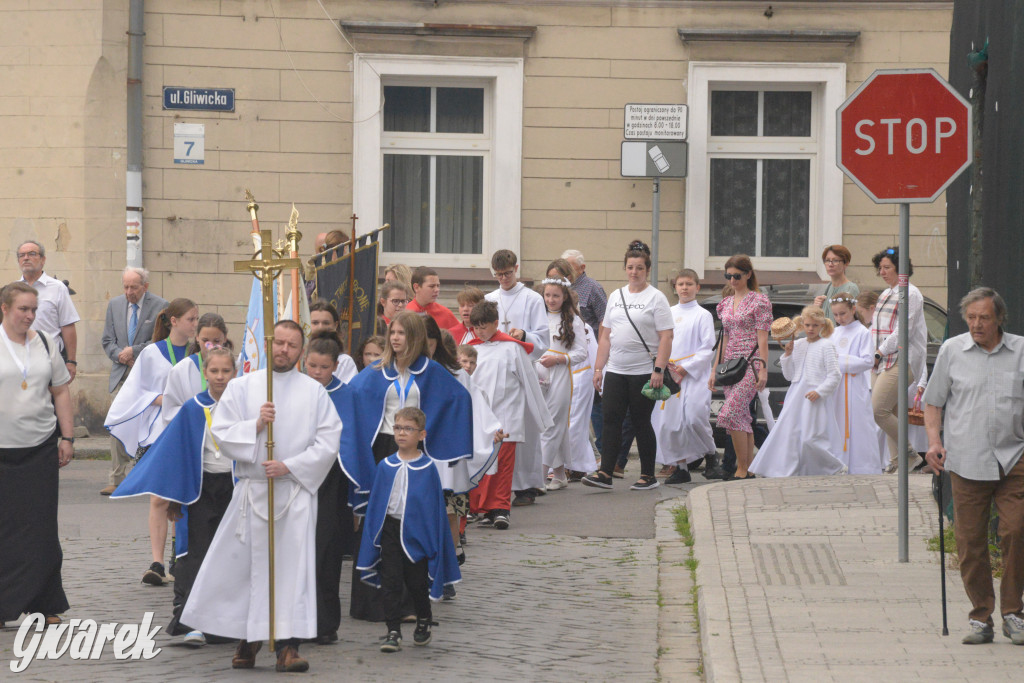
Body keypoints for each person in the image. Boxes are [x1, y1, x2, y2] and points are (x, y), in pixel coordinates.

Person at [180, 320, 342, 673]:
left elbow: (329, 442)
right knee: (249, 570)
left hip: (294, 494)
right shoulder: (243, 387)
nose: (284, 350)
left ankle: (288, 645)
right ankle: (248, 639)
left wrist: (290, 465)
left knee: (291, 572)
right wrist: (255, 426)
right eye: (279, 343)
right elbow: (221, 432)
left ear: (301, 350)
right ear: (269, 344)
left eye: (292, 345)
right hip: (253, 493)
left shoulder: (313, 392)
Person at [336, 311, 473, 621]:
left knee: (411, 523)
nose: (395, 338)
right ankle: (371, 602)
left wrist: (438, 437)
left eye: (401, 333)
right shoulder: (374, 371)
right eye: (392, 333)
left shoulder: (432, 371)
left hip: (415, 453)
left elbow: (458, 398)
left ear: (414, 338)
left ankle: (408, 603)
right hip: (382, 452)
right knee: (377, 522)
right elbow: (351, 400)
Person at [110, 347, 237, 647]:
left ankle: (228, 620)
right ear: (204, 374)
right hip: (200, 488)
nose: (220, 377)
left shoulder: (242, 406)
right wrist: (173, 499)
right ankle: (192, 620)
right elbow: (175, 453)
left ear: (235, 373)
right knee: (196, 553)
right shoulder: (193, 408)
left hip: (235, 487)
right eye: (214, 371)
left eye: (226, 371)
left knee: (230, 554)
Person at [923, 288, 1024, 646]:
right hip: (966, 460)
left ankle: (1014, 612)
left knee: (1016, 531)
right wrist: (934, 442)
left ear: (999, 318)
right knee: (970, 543)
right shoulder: (952, 350)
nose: (977, 324)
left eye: (984, 318)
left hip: (1015, 458)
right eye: (971, 318)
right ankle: (981, 616)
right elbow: (933, 403)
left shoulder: (1021, 350)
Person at [105, 297, 198, 586]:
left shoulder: (199, 354)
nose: (195, 324)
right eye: (191, 319)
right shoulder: (152, 354)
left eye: (197, 319)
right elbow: (135, 392)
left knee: (183, 496)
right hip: (159, 431)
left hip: (191, 431)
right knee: (159, 497)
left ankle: (178, 556)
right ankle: (157, 561)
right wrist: (164, 399)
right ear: (174, 321)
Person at [357, 407, 462, 653]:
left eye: (408, 429)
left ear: (421, 434)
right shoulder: (385, 465)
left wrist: (431, 540)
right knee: (391, 581)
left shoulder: (427, 469)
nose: (402, 433)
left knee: (416, 583)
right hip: (391, 530)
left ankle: (423, 618)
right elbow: (377, 503)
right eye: (398, 428)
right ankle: (393, 630)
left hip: (418, 533)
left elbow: (433, 509)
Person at [0, 282, 74, 629]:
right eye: (22, 310)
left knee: (41, 528)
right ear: (4, 308)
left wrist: (67, 437)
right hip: (2, 449)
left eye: (33, 309)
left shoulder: (45, 342)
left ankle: (45, 604)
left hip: (40, 447)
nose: (29, 316)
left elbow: (60, 390)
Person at [583, 240, 673, 492]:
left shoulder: (656, 298)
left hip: (644, 371)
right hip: (616, 370)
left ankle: (647, 475)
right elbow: (605, 336)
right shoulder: (615, 296)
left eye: (640, 268)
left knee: (641, 421)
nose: (634, 272)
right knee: (611, 420)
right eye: (630, 267)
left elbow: (666, 336)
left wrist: (659, 369)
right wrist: (599, 368)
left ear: (647, 270)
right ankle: (605, 473)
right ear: (625, 268)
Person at [468, 301, 552, 528]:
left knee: (503, 465)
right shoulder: (469, 346)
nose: (479, 332)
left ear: (496, 324)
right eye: (475, 327)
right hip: (479, 418)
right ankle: (483, 509)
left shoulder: (512, 348)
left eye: (484, 327)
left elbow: (530, 381)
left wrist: (542, 418)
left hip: (507, 416)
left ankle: (501, 509)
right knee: (482, 463)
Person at [303, 331, 356, 645]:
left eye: (323, 367)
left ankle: (325, 623)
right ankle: (298, 619)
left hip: (331, 483)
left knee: (326, 551)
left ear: (336, 366)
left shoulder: (345, 394)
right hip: (298, 479)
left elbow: (351, 440)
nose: (316, 372)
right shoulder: (296, 389)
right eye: (311, 365)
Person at [486, 249, 550, 505]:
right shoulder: (489, 298)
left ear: (517, 269)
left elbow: (543, 339)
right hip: (494, 372)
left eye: (508, 273)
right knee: (498, 429)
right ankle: (496, 485)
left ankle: (527, 486)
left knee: (524, 430)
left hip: (522, 370)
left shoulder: (532, 299)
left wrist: (524, 335)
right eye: (499, 274)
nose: (503, 278)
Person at [749, 306, 844, 477]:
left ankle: (832, 466)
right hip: (796, 395)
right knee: (789, 434)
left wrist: (820, 391)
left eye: (815, 325)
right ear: (801, 325)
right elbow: (790, 375)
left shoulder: (827, 346)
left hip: (815, 397)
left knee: (811, 437)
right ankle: (791, 469)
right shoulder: (797, 345)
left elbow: (834, 375)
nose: (810, 329)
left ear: (822, 325)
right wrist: (787, 356)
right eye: (807, 325)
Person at [100, 267, 168, 495]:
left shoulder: (160, 306)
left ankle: (145, 474)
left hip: (148, 374)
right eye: (126, 287)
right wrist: (119, 354)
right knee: (119, 421)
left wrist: (134, 351)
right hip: (123, 372)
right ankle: (116, 479)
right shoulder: (115, 305)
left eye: (134, 287)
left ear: (145, 287)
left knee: (147, 423)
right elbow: (107, 339)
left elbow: (161, 339)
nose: (129, 292)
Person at [708, 254, 771, 481]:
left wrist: (763, 369)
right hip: (730, 366)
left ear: (748, 274)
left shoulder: (759, 301)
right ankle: (749, 467)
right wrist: (715, 368)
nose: (732, 280)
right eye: (728, 276)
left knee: (729, 412)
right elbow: (723, 339)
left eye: (737, 276)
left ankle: (740, 468)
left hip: (751, 363)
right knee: (742, 417)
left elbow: (762, 339)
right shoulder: (724, 303)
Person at [652, 270, 716, 485]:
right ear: (675, 287)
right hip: (671, 374)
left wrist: (686, 367)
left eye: (689, 284)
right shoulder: (668, 313)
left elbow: (708, 349)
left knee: (694, 416)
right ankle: (681, 467)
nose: (685, 288)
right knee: (671, 424)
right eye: (681, 284)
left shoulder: (703, 315)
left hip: (694, 375)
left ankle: (711, 455)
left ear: (697, 287)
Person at [870, 246, 928, 473]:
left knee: (878, 410)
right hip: (881, 361)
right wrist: (874, 355)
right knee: (890, 412)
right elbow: (876, 329)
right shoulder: (886, 293)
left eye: (887, 267)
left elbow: (903, 330)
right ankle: (898, 461)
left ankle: (910, 454)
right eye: (880, 268)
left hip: (902, 358)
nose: (882, 272)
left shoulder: (910, 293)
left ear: (900, 269)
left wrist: (880, 352)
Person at [536, 277, 588, 490]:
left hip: (559, 373)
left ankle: (537, 478)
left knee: (552, 423)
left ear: (564, 296)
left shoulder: (573, 320)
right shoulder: (538, 315)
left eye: (555, 295)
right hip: (537, 373)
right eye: (547, 295)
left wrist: (559, 359)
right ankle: (559, 474)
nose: (551, 299)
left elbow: (581, 352)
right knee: (550, 425)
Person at [827, 293, 883, 474]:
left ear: (853, 309)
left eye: (842, 314)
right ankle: (838, 462)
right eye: (835, 315)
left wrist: (839, 361)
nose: (839, 318)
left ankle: (862, 466)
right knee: (836, 423)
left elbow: (867, 361)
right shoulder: (833, 333)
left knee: (858, 425)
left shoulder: (863, 332)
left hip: (854, 386)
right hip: (836, 387)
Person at [563, 249, 609, 458]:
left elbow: (604, 320)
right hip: (566, 354)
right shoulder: (560, 288)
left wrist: (601, 352)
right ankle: (580, 451)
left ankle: (603, 449)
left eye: (570, 267)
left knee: (596, 403)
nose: (566, 272)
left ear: (582, 268)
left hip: (591, 351)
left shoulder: (593, 288)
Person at [16, 240, 79, 380]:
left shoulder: (57, 288)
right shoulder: (13, 290)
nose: (26, 258)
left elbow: (68, 325)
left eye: (32, 254)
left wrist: (71, 361)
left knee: (50, 401)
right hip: (18, 362)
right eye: (22, 255)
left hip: (50, 360)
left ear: (43, 259)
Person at [162, 313, 230, 426]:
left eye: (216, 341)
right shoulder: (181, 370)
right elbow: (169, 412)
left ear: (225, 338)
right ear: (197, 337)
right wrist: (198, 413)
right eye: (205, 340)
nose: (211, 347)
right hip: (193, 433)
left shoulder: (234, 370)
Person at [309, 300, 358, 383]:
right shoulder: (299, 359)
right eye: (315, 323)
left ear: (335, 325)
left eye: (326, 323)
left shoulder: (344, 361)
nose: (320, 327)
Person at [813, 245, 860, 322]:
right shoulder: (829, 286)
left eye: (835, 261)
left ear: (846, 264)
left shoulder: (850, 288)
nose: (830, 264)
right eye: (827, 260)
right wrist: (816, 308)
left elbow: (851, 321)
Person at [406, 267, 460, 331]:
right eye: (432, 286)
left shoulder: (445, 314)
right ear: (416, 287)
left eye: (438, 286)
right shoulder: (405, 312)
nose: (437, 290)